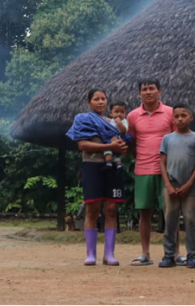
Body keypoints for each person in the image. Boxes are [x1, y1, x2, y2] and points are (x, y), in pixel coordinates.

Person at [66, 89, 128, 266]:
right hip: (92, 166)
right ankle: (90, 254)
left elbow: (123, 147)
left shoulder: (114, 123)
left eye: (103, 99)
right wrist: (109, 147)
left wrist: (121, 148)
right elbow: (82, 145)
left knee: (111, 209)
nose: (100, 102)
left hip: (113, 168)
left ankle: (109, 254)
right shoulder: (83, 120)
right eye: (96, 99)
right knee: (92, 209)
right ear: (89, 103)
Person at [127, 78, 177, 266]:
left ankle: (175, 253)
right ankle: (145, 254)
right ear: (139, 93)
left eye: (152, 88)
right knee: (144, 213)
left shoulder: (171, 112)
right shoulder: (133, 116)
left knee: (171, 212)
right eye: (144, 89)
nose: (148, 92)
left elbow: (176, 139)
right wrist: (141, 157)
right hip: (143, 170)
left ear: (159, 91)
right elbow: (131, 143)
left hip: (167, 171)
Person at [158, 104, 195, 269]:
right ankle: (168, 255)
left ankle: (192, 255)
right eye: (176, 116)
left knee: (191, 222)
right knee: (170, 221)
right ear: (173, 118)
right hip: (171, 186)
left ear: (191, 117)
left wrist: (189, 183)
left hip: (191, 187)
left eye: (183, 115)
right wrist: (168, 185)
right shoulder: (167, 138)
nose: (180, 119)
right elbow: (162, 163)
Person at [104, 101, 131, 171]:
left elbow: (124, 130)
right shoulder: (110, 121)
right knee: (109, 150)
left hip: (120, 137)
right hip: (112, 137)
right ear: (111, 113)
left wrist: (120, 124)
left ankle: (115, 164)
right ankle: (111, 163)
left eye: (122, 112)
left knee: (113, 151)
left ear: (125, 113)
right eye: (116, 112)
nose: (119, 114)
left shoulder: (124, 121)